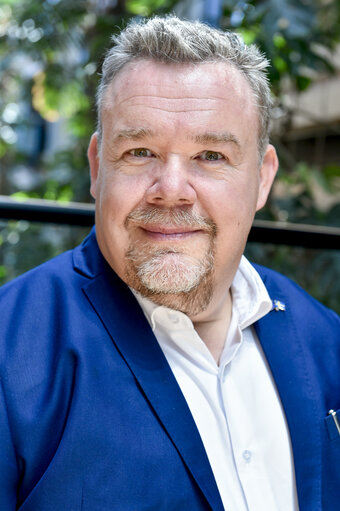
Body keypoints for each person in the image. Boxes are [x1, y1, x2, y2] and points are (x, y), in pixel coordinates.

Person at [0, 16, 339, 511]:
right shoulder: (11, 349)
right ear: (98, 168)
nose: (172, 190)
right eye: (140, 152)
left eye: (211, 155)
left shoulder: (326, 340)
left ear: (262, 179)